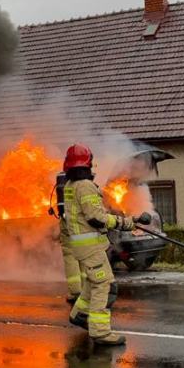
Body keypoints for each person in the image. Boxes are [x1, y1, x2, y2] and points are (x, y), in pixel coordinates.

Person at [62, 143, 136, 347]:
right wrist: (124, 223)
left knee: (92, 282)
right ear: (88, 163)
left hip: (81, 245)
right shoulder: (85, 185)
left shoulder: (69, 186)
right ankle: (100, 331)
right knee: (105, 284)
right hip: (91, 246)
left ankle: (79, 314)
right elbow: (96, 217)